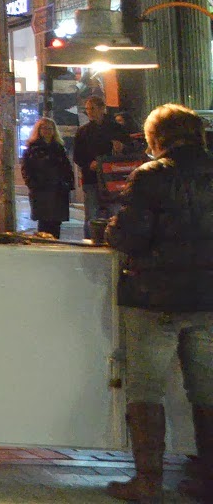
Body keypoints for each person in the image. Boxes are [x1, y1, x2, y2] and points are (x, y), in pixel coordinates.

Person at [105, 104, 213, 502]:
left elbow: (131, 235)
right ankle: (208, 481)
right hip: (207, 300)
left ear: (156, 140)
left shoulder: (149, 177)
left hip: (155, 300)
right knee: (207, 392)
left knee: (146, 390)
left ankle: (148, 481)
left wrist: (113, 228)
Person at [74, 96, 129, 225]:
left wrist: (122, 148)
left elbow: (130, 150)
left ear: (102, 109)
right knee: (92, 214)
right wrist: (88, 164)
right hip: (92, 178)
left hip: (113, 178)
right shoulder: (83, 131)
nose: (89, 112)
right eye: (87, 109)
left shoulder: (116, 128)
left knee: (114, 212)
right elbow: (78, 156)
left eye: (92, 108)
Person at [21, 118, 73, 238]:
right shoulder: (32, 148)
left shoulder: (59, 148)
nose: (47, 131)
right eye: (44, 128)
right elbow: (26, 169)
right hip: (41, 190)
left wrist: (67, 184)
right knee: (44, 222)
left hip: (58, 190)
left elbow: (66, 168)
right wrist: (32, 184)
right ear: (38, 130)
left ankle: (55, 243)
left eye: (50, 128)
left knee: (56, 222)